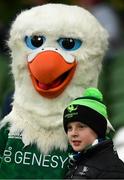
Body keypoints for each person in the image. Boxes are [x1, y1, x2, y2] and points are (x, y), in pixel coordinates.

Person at [63, 87, 124, 179]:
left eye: (81, 127)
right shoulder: (76, 161)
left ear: (97, 128)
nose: (73, 133)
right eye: (69, 128)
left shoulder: (112, 169)